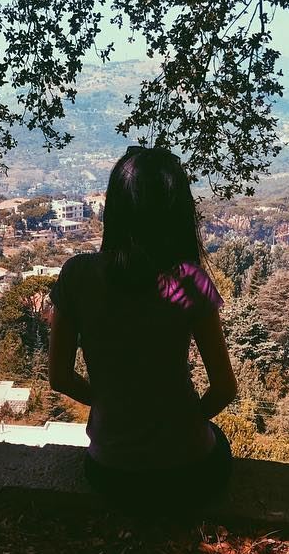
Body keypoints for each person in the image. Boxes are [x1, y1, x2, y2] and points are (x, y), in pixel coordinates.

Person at [48, 146, 237, 510]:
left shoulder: (77, 275)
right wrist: (179, 422)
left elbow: (59, 377)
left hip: (110, 472)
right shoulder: (189, 281)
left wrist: (110, 404)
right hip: (188, 470)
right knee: (220, 444)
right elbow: (224, 388)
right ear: (177, 211)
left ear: (115, 207)